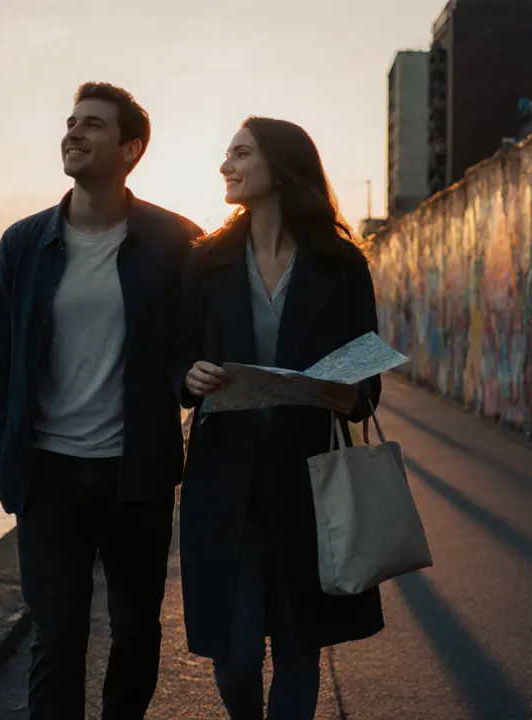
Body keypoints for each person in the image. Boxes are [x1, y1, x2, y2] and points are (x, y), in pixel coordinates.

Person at [0, 82, 201, 720]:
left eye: (93, 125)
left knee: (135, 631)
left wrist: (189, 381)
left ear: (131, 149)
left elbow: (188, 346)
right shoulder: (23, 243)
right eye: (71, 122)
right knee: (58, 633)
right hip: (47, 473)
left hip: (137, 475)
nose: (73, 133)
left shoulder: (173, 240)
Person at [175, 116, 385, 719]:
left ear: (280, 166)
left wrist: (355, 395)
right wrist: (188, 378)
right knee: (234, 652)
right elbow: (177, 353)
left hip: (309, 481)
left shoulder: (341, 264)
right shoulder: (205, 263)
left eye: (240, 153)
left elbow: (366, 366)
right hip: (225, 481)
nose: (225, 166)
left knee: (299, 647)